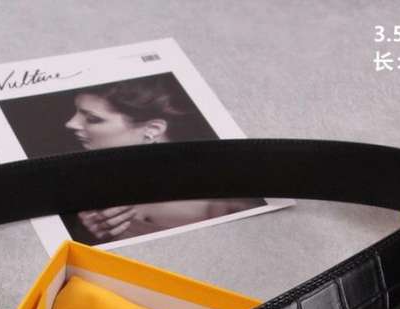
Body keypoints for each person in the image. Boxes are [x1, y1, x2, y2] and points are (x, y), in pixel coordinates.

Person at [60, 76, 263, 243]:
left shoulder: (228, 199)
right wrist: (87, 232)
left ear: (153, 129)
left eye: (92, 118)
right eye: (76, 112)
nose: (70, 123)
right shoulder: (89, 183)